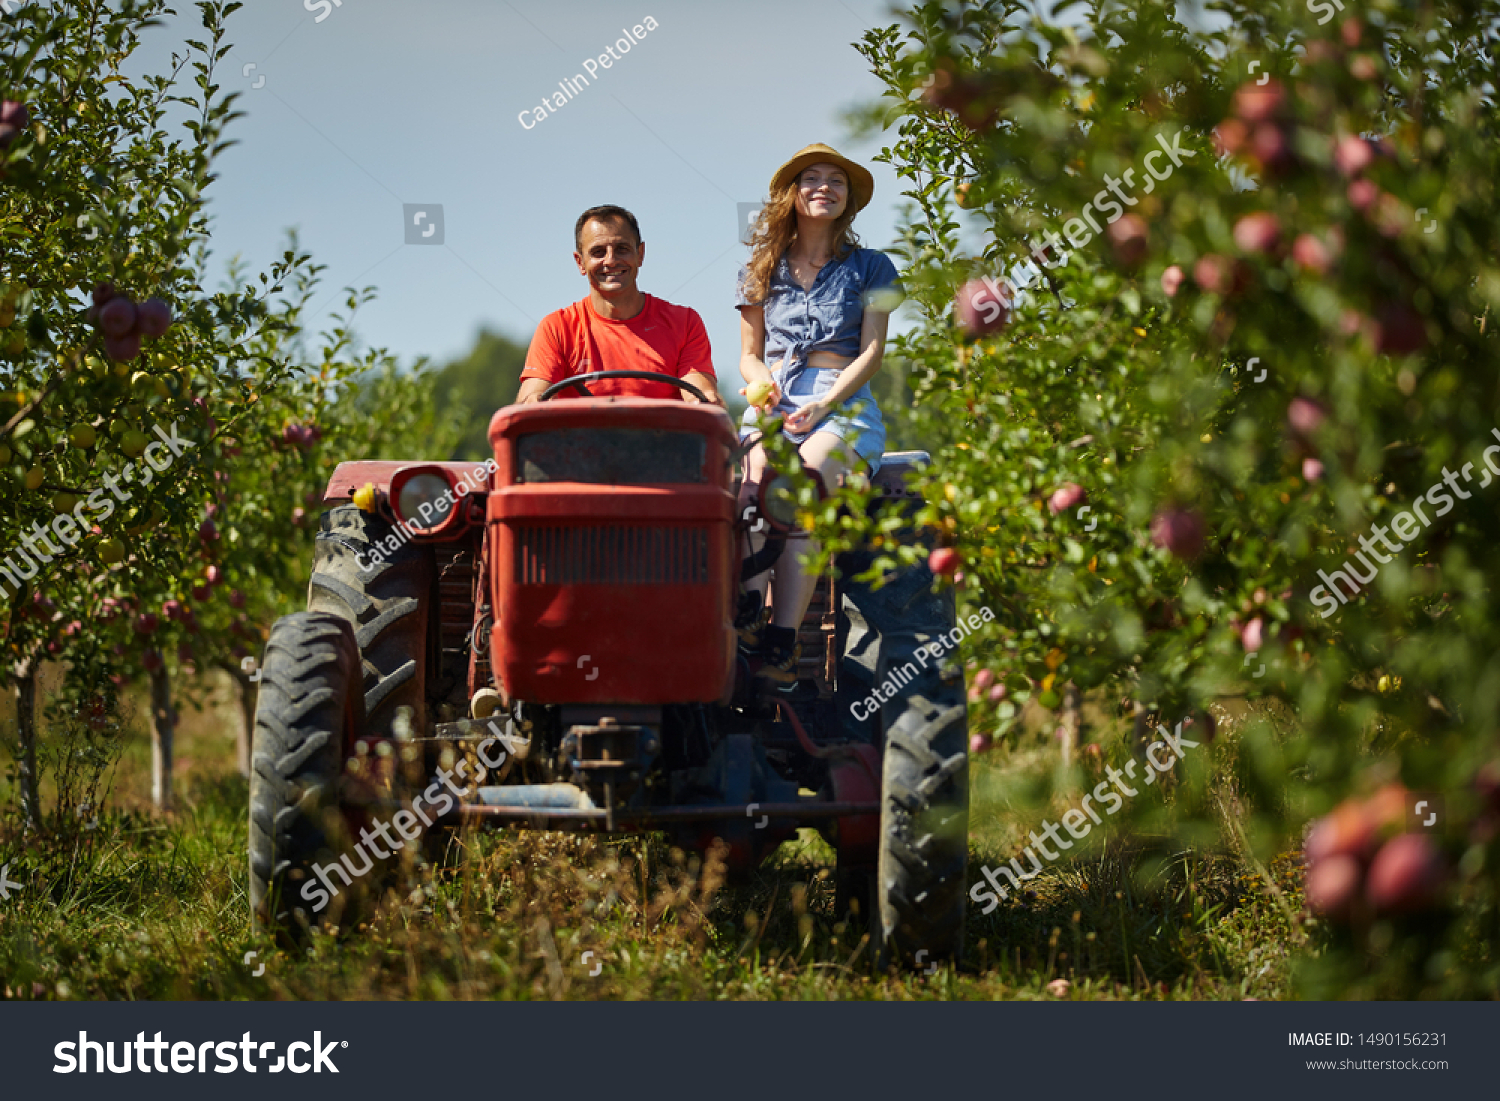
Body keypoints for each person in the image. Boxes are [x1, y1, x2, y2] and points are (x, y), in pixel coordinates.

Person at [734, 143, 901, 687]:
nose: (824, 187)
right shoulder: (760, 267)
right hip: (775, 392)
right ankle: (747, 619)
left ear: (849, 200)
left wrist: (824, 404)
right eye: (812, 178)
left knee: (806, 483)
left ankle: (783, 641)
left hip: (840, 394)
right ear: (792, 193)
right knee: (753, 482)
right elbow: (750, 355)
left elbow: (872, 353)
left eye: (837, 180)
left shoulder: (874, 266)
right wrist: (764, 393)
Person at [516, 205, 722, 405]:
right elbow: (533, 397)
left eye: (622, 249)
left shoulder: (684, 322)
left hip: (663, 439)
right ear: (580, 262)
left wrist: (704, 399)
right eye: (598, 252)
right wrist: (533, 400)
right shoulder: (556, 327)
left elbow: (699, 394)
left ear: (640, 254)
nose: (611, 260)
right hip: (581, 440)